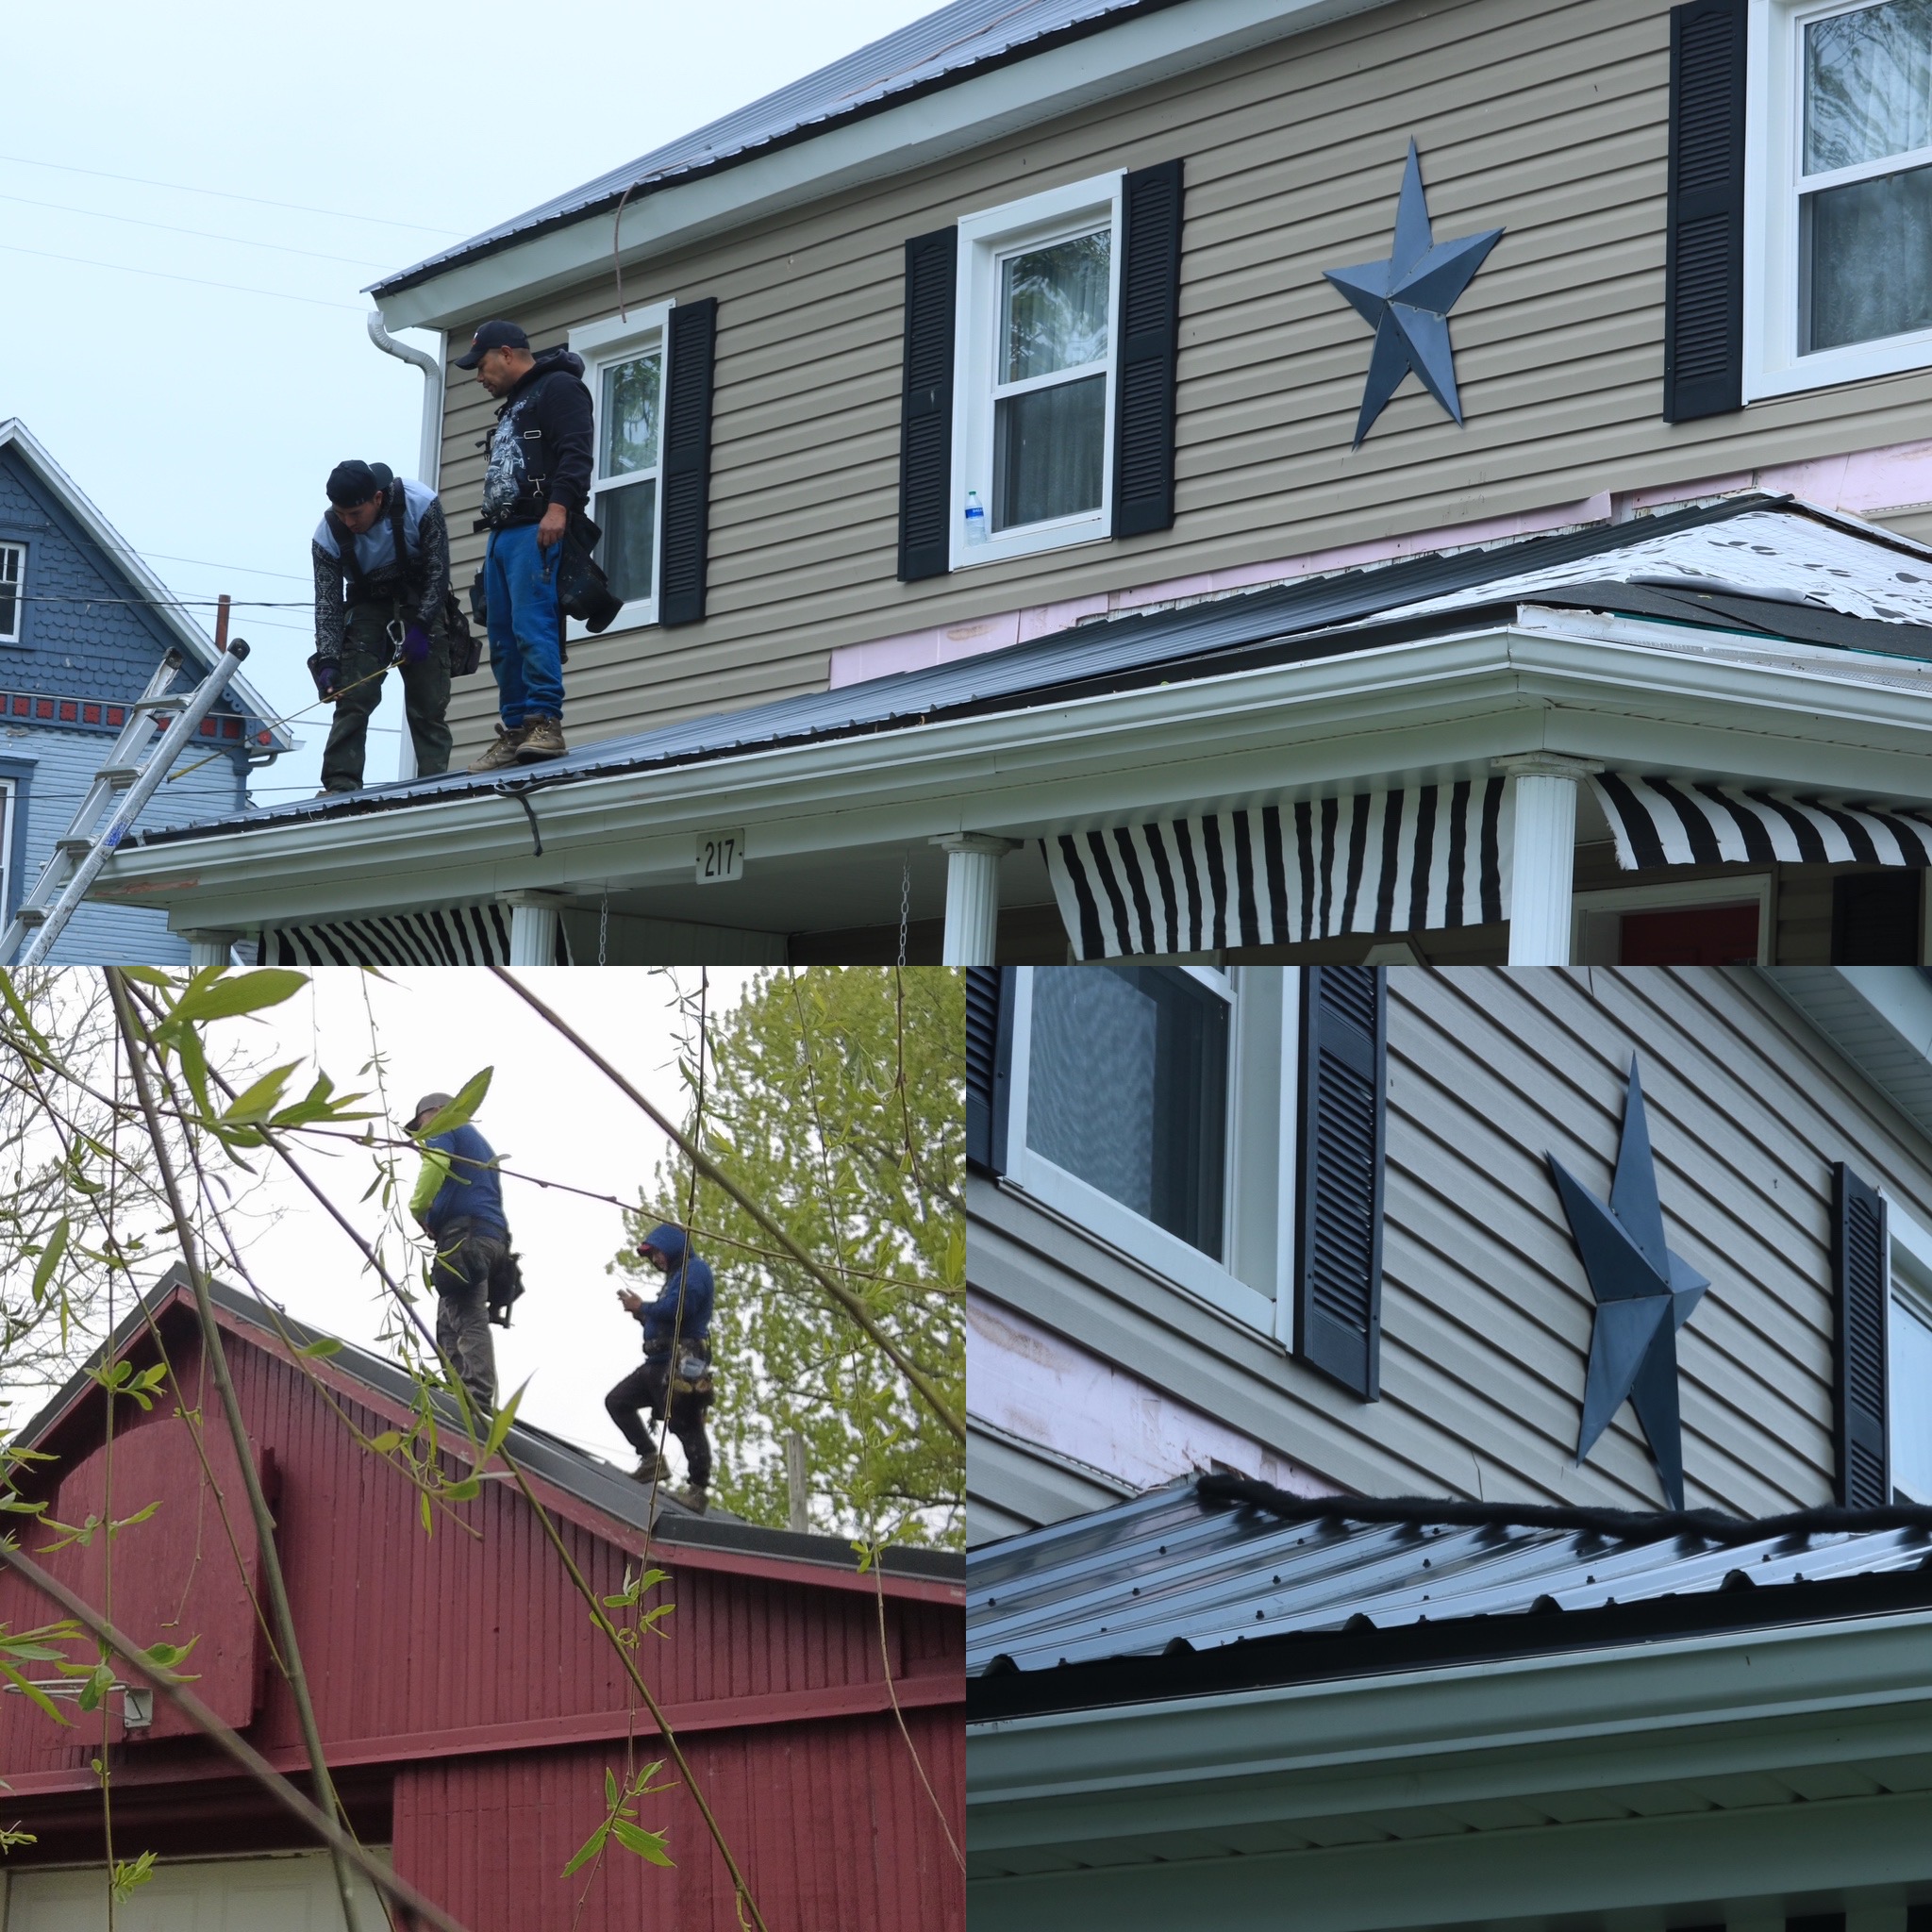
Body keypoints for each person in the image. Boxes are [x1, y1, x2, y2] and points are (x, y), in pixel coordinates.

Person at [456, 320, 592, 773]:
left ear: (507, 353)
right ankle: (517, 729)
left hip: (536, 526)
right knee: (503, 636)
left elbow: (576, 451)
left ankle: (544, 723)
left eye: (482, 364)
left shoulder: (559, 388)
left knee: (533, 627)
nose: (479, 375)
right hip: (502, 532)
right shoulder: (518, 401)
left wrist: (558, 509)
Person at [309, 460, 454, 793]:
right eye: (341, 513)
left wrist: (422, 626)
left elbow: (438, 570)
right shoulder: (326, 535)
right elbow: (328, 603)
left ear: (376, 499)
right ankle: (340, 783)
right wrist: (329, 661)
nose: (349, 522)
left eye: (355, 514)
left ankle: (433, 783)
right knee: (354, 694)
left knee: (428, 702)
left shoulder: (421, 502)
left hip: (420, 597)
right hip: (366, 603)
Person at [405, 1091, 509, 1420]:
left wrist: (419, 1209)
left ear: (435, 1112)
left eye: (420, 1125)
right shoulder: (480, 1145)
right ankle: (459, 1391)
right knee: (449, 1320)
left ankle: (474, 1396)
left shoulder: (445, 1125)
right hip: (489, 1237)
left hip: (466, 1236)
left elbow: (436, 1164)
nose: (420, 1135)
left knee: (464, 1316)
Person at [605, 1224, 714, 1513]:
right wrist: (642, 1314)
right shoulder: (677, 1277)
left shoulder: (695, 1271)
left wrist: (645, 1307)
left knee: (685, 1422)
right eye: (651, 1256)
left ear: (671, 1245)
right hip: (657, 1363)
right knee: (617, 1401)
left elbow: (680, 1309)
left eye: (657, 1253)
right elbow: (666, 1315)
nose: (655, 1261)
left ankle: (698, 1490)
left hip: (679, 1363)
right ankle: (651, 1458)